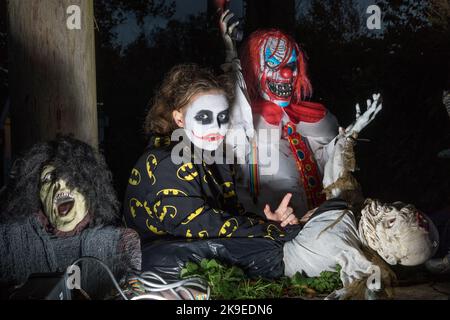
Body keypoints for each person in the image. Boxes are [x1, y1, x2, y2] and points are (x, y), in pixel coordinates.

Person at [123, 64, 301, 278]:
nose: (217, 128)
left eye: (223, 117)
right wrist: (273, 231)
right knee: (272, 251)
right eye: (204, 118)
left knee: (275, 247)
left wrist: (270, 221)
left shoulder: (217, 158)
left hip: (198, 249)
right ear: (180, 119)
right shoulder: (166, 161)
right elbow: (202, 223)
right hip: (159, 261)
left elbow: (230, 216)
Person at [0, 137, 141, 299]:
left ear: (90, 188)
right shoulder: (7, 242)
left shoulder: (120, 242)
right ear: (37, 194)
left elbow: (134, 289)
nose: (59, 183)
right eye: (48, 178)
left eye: (70, 175)